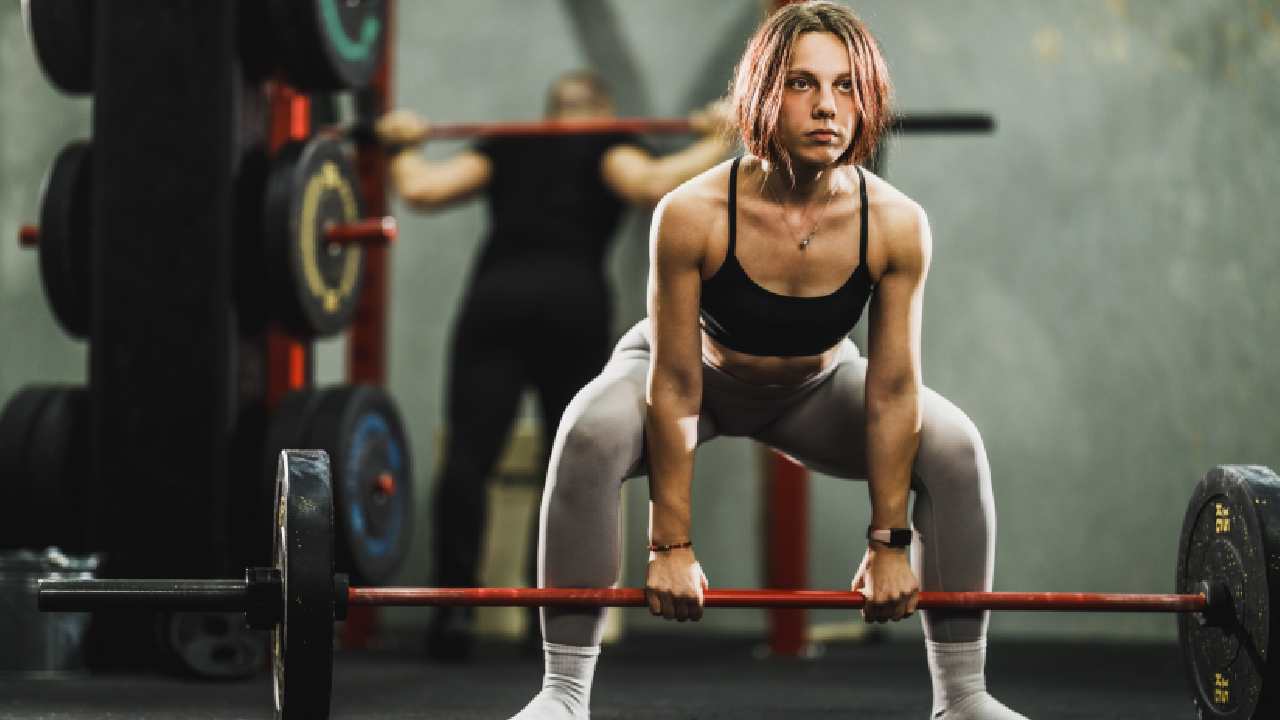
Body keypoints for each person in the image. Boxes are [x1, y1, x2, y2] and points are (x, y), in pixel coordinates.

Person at [506, 3, 1029, 720]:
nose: (827, 107)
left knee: (955, 447)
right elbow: (677, 381)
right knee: (588, 430)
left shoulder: (897, 223)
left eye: (846, 87)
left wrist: (888, 541)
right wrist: (671, 542)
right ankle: (562, 696)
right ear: (760, 94)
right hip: (697, 372)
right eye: (802, 84)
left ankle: (964, 698)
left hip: (813, 387)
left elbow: (892, 387)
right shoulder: (691, 213)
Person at [375, 72, 735, 660]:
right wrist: (725, 132)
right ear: (607, 108)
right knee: (561, 465)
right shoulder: (610, 144)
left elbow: (420, 190)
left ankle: (454, 614)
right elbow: (654, 185)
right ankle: (544, 616)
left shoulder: (511, 142)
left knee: (469, 455)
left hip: (495, 301)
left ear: (550, 110)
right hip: (572, 307)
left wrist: (400, 145)